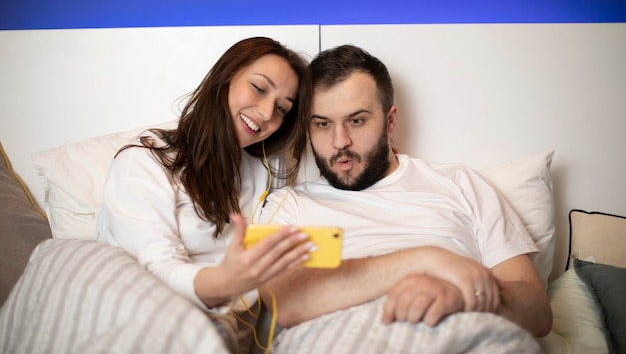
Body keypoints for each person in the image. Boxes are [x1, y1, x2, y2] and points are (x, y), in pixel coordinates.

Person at [255, 45, 552, 351]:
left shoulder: (459, 184)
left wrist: (462, 298)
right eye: (322, 124)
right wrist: (424, 260)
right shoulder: (287, 206)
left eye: (357, 121)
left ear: (390, 120)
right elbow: (286, 303)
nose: (339, 141)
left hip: (464, 330)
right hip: (338, 338)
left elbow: (538, 312)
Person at [94, 37, 315, 347]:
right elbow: (155, 267)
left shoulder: (266, 170)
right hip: (147, 315)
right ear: (225, 77)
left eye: (282, 108)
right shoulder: (145, 160)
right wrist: (226, 281)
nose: (267, 114)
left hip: (229, 326)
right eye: (259, 88)